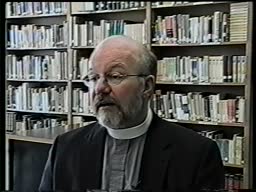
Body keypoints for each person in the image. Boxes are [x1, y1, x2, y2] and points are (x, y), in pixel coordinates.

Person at [39, 35, 225, 192]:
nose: (100, 88)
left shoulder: (197, 153)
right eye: (94, 77)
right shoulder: (65, 148)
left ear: (147, 86)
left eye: (115, 76)